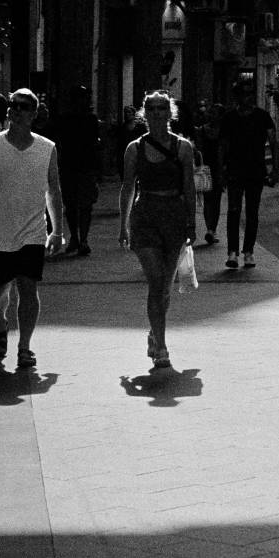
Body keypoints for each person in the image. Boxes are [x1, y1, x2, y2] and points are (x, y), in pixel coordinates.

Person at [0, 88, 65, 370]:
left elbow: (54, 190)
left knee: (29, 288)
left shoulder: (47, 148)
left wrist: (56, 231)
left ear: (34, 114)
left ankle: (24, 347)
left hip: (33, 232)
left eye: (23, 106)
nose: (16, 110)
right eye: (13, 105)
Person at [118, 90, 196, 370]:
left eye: (163, 109)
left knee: (164, 287)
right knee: (157, 280)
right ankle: (161, 346)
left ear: (170, 113)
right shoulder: (134, 149)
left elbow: (189, 187)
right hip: (145, 216)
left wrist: (192, 222)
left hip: (174, 216)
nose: (157, 114)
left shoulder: (183, 148)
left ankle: (154, 332)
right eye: (152, 109)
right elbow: (128, 187)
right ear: (145, 114)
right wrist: (123, 225)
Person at [218, 82, 279, 271]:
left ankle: (248, 251)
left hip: (255, 170)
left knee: (252, 212)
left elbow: (273, 142)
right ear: (236, 97)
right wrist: (221, 170)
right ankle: (233, 252)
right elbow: (223, 145)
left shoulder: (262, 116)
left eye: (248, 94)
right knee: (234, 210)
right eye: (242, 95)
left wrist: (275, 168)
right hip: (235, 170)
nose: (245, 98)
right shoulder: (229, 118)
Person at [54, 85, 102, 256]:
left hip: (76, 166)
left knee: (78, 204)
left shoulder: (70, 119)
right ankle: (79, 239)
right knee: (78, 205)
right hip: (77, 166)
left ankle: (79, 239)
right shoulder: (86, 119)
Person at [196, 102, 226, 247]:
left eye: (215, 113)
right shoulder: (203, 130)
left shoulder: (206, 130)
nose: (213, 116)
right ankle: (210, 229)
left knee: (213, 200)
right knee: (211, 200)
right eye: (211, 113)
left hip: (214, 168)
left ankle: (211, 229)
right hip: (210, 168)